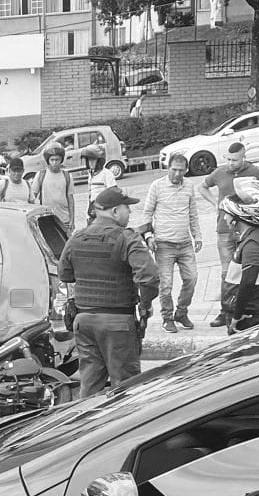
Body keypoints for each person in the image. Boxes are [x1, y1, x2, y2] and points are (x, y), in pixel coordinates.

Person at [58, 187, 158, 398]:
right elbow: (149, 277)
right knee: (126, 388)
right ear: (114, 212)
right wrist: (145, 305)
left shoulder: (77, 238)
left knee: (90, 384)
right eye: (126, 208)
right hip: (117, 322)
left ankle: (86, 425)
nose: (129, 213)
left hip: (84, 321)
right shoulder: (127, 238)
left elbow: (65, 274)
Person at [198, 142, 259, 328]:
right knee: (228, 273)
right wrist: (216, 205)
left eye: (235, 160)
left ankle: (232, 310)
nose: (231, 163)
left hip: (252, 315)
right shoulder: (219, 172)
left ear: (244, 158)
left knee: (245, 273)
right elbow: (202, 187)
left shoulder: (254, 171)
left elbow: (249, 280)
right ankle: (224, 310)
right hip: (225, 231)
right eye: (228, 159)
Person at [139, 153, 202, 334]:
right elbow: (147, 213)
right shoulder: (157, 186)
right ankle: (167, 317)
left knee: (192, 278)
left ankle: (181, 312)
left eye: (181, 171)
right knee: (165, 284)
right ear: (168, 168)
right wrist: (149, 236)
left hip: (185, 243)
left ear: (186, 170)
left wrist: (197, 236)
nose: (176, 174)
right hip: (163, 244)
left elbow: (193, 214)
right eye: (174, 170)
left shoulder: (189, 186)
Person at [219, 179, 259, 334]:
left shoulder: (253, 244)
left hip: (250, 318)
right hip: (254, 314)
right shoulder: (255, 236)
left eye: (227, 214)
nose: (225, 218)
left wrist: (237, 316)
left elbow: (248, 281)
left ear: (240, 215)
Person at [31, 144, 75, 230]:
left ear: (61, 160)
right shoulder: (40, 175)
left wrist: (72, 220)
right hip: (46, 219)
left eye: (57, 160)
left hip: (64, 219)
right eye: (52, 160)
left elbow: (71, 199)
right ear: (48, 161)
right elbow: (32, 197)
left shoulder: (67, 176)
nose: (54, 163)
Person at [81, 144, 116, 219]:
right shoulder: (91, 174)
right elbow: (91, 195)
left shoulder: (106, 173)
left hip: (104, 214)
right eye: (88, 160)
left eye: (93, 159)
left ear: (99, 160)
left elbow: (114, 194)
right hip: (93, 213)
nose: (90, 162)